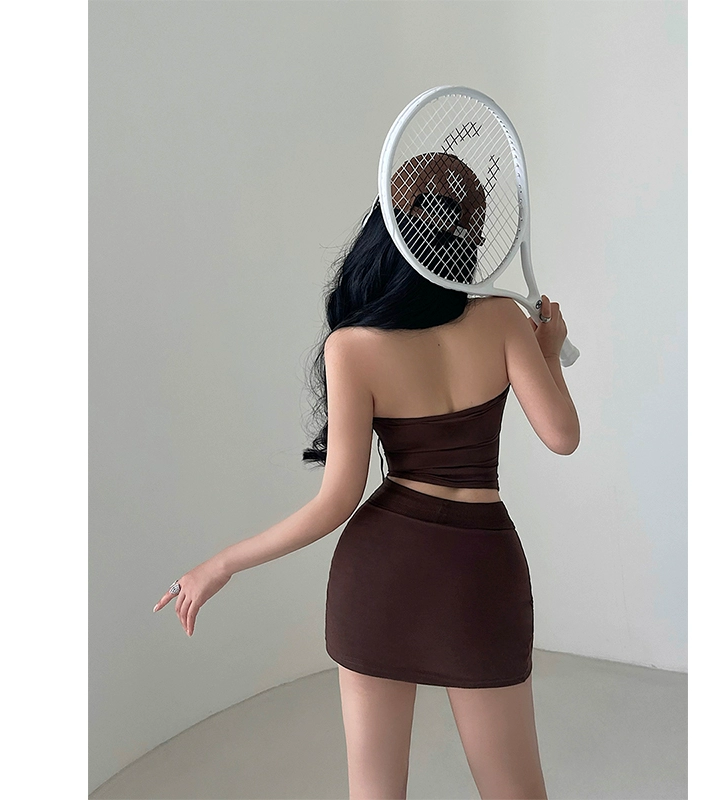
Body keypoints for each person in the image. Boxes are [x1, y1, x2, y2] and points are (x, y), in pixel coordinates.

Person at [153, 200, 579, 800]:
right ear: (474, 235)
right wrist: (549, 352)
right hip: (481, 571)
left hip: (381, 576)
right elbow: (563, 437)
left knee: (375, 792)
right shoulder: (504, 319)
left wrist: (221, 563)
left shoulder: (350, 347)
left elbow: (335, 503)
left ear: (387, 232)